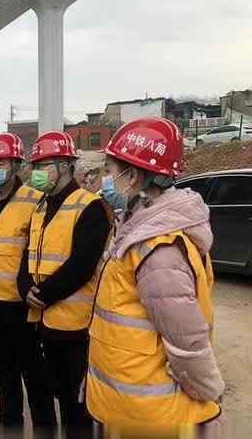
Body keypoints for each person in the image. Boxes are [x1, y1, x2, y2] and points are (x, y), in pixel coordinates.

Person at [86, 117, 226, 436]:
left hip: (151, 414)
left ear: (131, 176)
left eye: (109, 172)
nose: (103, 181)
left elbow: (187, 342)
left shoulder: (157, 250)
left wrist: (208, 391)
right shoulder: (137, 228)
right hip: (132, 405)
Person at [18, 131, 112, 430]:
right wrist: (25, 289)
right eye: (35, 166)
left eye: (44, 165)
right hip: (45, 322)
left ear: (64, 167)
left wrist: (43, 293)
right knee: (58, 393)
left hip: (76, 326)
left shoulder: (90, 206)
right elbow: (27, 256)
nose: (36, 173)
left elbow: (82, 265)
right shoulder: (41, 208)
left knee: (78, 405)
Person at [0, 133, 56, 428]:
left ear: (16, 165)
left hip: (20, 302)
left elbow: (39, 250)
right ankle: (9, 422)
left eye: (0, 161)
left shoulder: (35, 200)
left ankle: (44, 425)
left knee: (32, 369)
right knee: (2, 367)